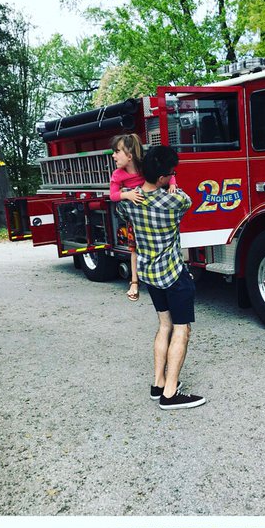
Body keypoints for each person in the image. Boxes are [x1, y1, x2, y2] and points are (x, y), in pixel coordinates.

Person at [116, 146, 204, 410]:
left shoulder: (128, 202)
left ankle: (158, 383)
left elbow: (120, 207)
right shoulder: (175, 201)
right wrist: (172, 185)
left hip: (150, 275)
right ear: (165, 177)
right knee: (182, 330)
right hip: (174, 274)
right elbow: (188, 200)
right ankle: (170, 393)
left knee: (163, 326)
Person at [108, 133, 151, 303]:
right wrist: (128, 194)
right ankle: (134, 282)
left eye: (117, 151)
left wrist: (172, 185)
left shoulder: (146, 167)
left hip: (151, 216)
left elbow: (167, 173)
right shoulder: (118, 175)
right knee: (134, 250)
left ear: (130, 155)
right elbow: (113, 195)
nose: (113, 155)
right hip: (134, 219)